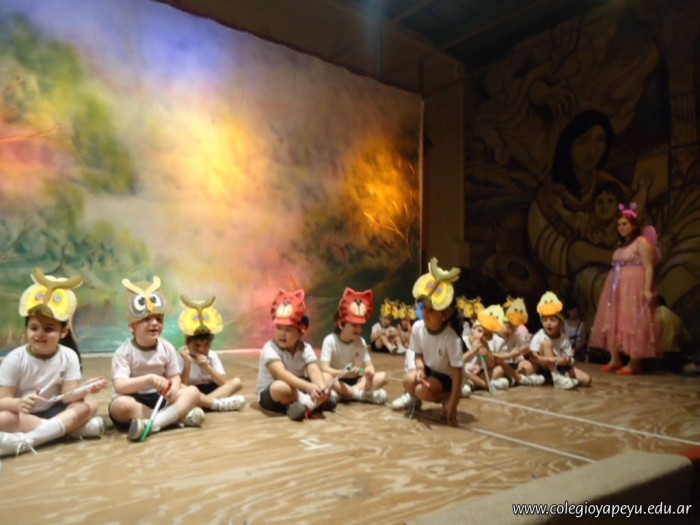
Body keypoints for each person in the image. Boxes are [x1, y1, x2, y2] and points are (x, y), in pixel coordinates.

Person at [0, 268, 108, 458]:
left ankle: (29, 440)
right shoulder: (14, 359)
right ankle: (74, 430)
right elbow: (3, 400)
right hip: (24, 416)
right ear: (26, 330)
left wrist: (85, 388)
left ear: (63, 332)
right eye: (34, 328)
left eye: (49, 329)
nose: (40, 334)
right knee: (3, 418)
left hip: (56, 411)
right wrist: (18, 403)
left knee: (89, 405)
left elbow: (67, 397)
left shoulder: (69, 356)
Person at [108, 276, 205, 441]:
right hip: (135, 399)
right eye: (146, 319)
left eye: (159, 319)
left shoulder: (167, 347)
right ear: (132, 326)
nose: (154, 323)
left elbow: (174, 376)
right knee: (119, 406)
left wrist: (174, 389)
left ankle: (153, 423)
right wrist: (149, 379)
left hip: (161, 398)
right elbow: (120, 385)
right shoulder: (123, 352)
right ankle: (175, 418)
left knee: (193, 392)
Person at [589, 203, 662, 374]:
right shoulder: (620, 244)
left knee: (633, 321)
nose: (621, 227)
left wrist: (647, 289)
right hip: (616, 286)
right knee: (614, 319)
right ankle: (615, 358)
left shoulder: (641, 242)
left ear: (633, 226)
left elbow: (649, 267)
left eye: (624, 224)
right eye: (619, 225)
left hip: (634, 286)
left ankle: (634, 362)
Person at [398, 257, 464, 426]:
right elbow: (418, 353)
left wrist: (454, 402)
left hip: (446, 377)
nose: (426, 313)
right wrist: (420, 368)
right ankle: (415, 399)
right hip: (429, 370)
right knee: (408, 380)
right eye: (424, 308)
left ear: (445, 315)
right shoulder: (418, 327)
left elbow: (457, 373)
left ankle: (446, 398)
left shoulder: (451, 339)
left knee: (422, 390)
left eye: (432, 310)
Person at [255, 289, 333, 421]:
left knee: (327, 377)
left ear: (300, 333)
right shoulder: (270, 348)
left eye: (288, 330)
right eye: (279, 328)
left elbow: (314, 370)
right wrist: (309, 387)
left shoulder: (306, 348)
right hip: (274, 394)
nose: (282, 333)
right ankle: (309, 403)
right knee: (281, 387)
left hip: (298, 388)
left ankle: (301, 405)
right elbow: (281, 374)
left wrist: (320, 389)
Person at [177, 295, 246, 412]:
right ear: (187, 343)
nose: (202, 349)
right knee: (182, 389)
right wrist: (187, 364)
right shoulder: (181, 356)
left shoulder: (212, 356)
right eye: (197, 345)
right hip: (192, 391)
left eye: (206, 345)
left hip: (211, 391)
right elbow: (182, 385)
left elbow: (223, 383)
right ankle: (215, 404)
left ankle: (200, 405)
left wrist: (207, 367)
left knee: (236, 382)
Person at [320, 288, 388, 405]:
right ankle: (360, 395)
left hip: (356, 381)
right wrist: (343, 372)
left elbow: (369, 367)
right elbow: (324, 368)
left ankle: (344, 395)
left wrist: (367, 372)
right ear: (341, 324)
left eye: (360, 325)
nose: (359, 329)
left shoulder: (361, 342)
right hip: (337, 379)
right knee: (325, 377)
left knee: (382, 376)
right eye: (354, 325)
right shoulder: (330, 340)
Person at [528, 291, 592, 388]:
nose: (548, 323)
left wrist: (567, 360)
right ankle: (556, 377)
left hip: (559, 366)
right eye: (545, 320)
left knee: (586, 380)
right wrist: (552, 359)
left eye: (552, 320)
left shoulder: (564, 338)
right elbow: (533, 357)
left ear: (560, 323)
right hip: (543, 367)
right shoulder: (539, 335)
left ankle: (553, 379)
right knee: (547, 343)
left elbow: (570, 356)